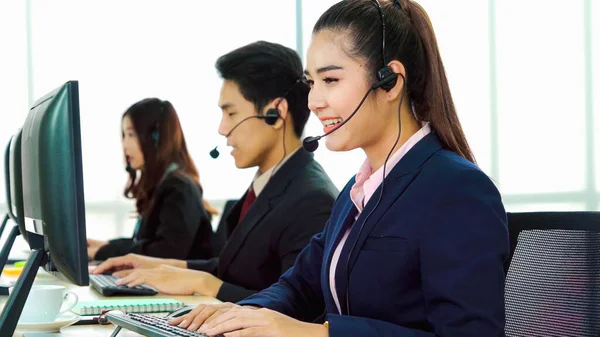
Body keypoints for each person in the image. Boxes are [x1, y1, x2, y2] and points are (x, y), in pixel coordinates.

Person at [168, 1, 509, 336]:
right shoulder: (356, 192)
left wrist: (318, 334)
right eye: (311, 83)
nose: (314, 101)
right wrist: (240, 314)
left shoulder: (456, 189)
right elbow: (299, 287)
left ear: (389, 82)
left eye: (330, 80)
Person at [92, 41, 339, 303]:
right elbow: (232, 269)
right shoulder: (271, 183)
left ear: (275, 114)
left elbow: (296, 311)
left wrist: (204, 283)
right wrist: (153, 265)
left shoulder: (311, 200)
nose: (222, 129)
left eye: (231, 113)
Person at [87, 98, 216, 261]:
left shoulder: (179, 187)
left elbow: (164, 253)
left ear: (156, 138)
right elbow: (145, 243)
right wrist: (106, 246)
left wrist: (104, 252)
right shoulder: (163, 184)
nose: (125, 144)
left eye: (131, 134)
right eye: (124, 136)